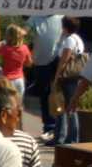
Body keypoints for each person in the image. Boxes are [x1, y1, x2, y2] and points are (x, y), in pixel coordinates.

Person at [26, 13, 66, 141]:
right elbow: (25, 32)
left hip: (56, 61)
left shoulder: (62, 17)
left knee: (58, 95)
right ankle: (49, 127)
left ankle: (58, 128)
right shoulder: (35, 18)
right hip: (40, 62)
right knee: (44, 95)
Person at [54, 17, 87, 145]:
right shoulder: (78, 39)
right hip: (76, 76)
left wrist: (57, 77)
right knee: (70, 106)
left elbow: (64, 60)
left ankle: (70, 137)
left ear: (65, 27)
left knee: (68, 107)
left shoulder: (69, 40)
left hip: (67, 77)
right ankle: (67, 136)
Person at [0, 25, 33, 99]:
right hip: (19, 80)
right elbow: (29, 64)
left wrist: (1, 43)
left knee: (7, 105)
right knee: (18, 105)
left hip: (7, 80)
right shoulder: (24, 48)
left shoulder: (4, 49)